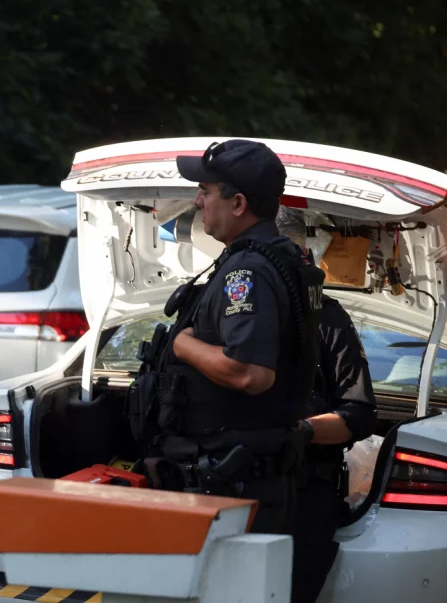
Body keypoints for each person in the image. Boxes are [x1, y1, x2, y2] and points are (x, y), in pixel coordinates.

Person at [136, 139, 324, 534]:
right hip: (238, 479)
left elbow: (249, 374)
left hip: (229, 483)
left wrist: (183, 345)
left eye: (205, 192)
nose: (197, 201)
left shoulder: (249, 271)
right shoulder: (273, 258)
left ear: (238, 204)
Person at [274, 207, 378, 603]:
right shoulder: (218, 311)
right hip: (226, 487)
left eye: (295, 255)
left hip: (304, 490)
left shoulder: (327, 318)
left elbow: (359, 413)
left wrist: (301, 432)